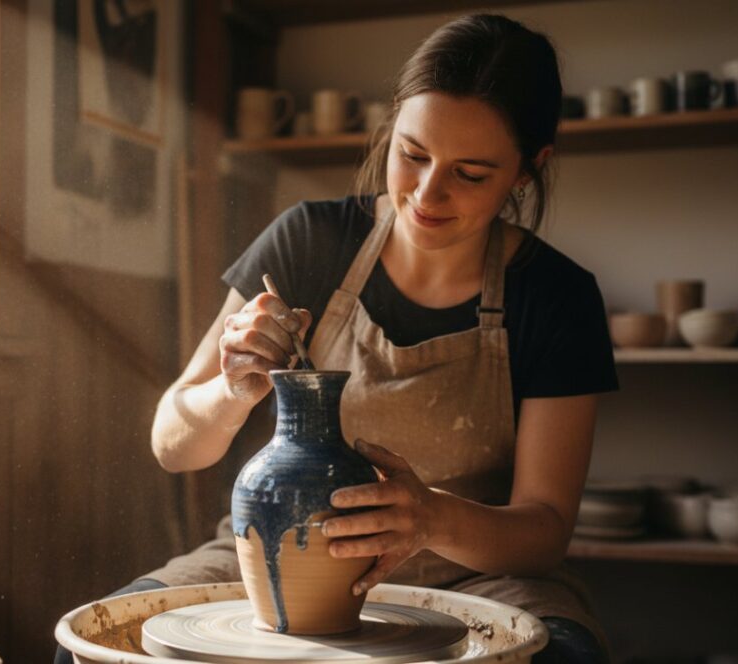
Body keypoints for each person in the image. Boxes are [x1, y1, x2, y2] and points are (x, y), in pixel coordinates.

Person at [55, 13, 618, 664]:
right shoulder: (310, 242)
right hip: (273, 558)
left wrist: (433, 518)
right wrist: (231, 391)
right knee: (90, 650)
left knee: (563, 655)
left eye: (470, 173)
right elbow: (171, 444)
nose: (427, 193)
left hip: (476, 575)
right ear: (392, 126)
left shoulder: (555, 293)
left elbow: (545, 532)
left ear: (526, 169)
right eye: (412, 154)